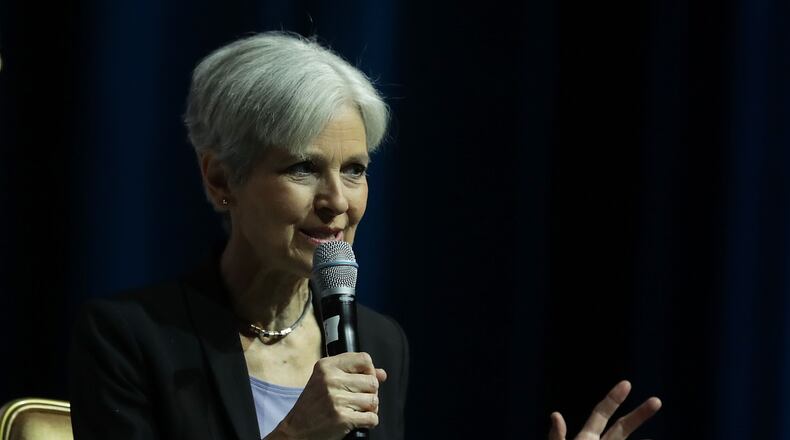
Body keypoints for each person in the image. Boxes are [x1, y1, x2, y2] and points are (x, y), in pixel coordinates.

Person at [69, 31, 660, 440]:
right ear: (222, 178)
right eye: (303, 168)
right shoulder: (131, 337)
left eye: (354, 169)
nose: (338, 202)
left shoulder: (379, 342)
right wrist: (297, 434)